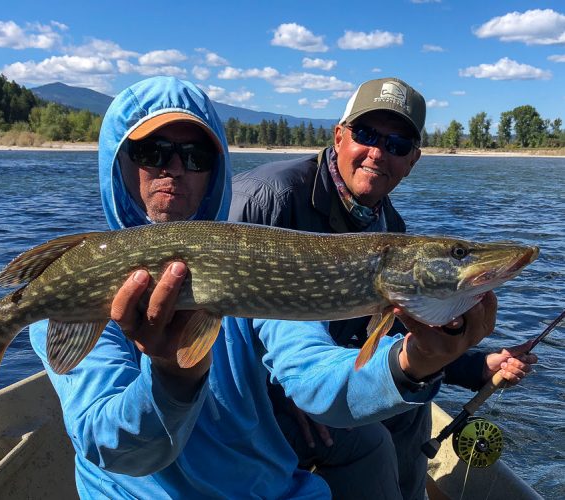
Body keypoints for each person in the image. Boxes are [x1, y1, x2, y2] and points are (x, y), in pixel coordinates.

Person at [29, 76, 500, 499]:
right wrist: (172, 376)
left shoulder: (251, 259)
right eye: (151, 152)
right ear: (118, 162)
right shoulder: (81, 279)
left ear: (215, 171)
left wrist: (419, 360)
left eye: (195, 157)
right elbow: (113, 449)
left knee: (393, 428)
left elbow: (314, 375)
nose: (173, 169)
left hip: (272, 489)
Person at [229, 77, 537, 499]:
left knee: (413, 413)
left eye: (396, 144)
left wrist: (473, 365)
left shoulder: (390, 228)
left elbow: (391, 332)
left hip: (317, 377)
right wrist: (276, 398)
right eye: (366, 134)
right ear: (339, 137)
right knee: (370, 446)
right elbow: (214, 313)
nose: (378, 153)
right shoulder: (267, 198)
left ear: (412, 160)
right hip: (249, 394)